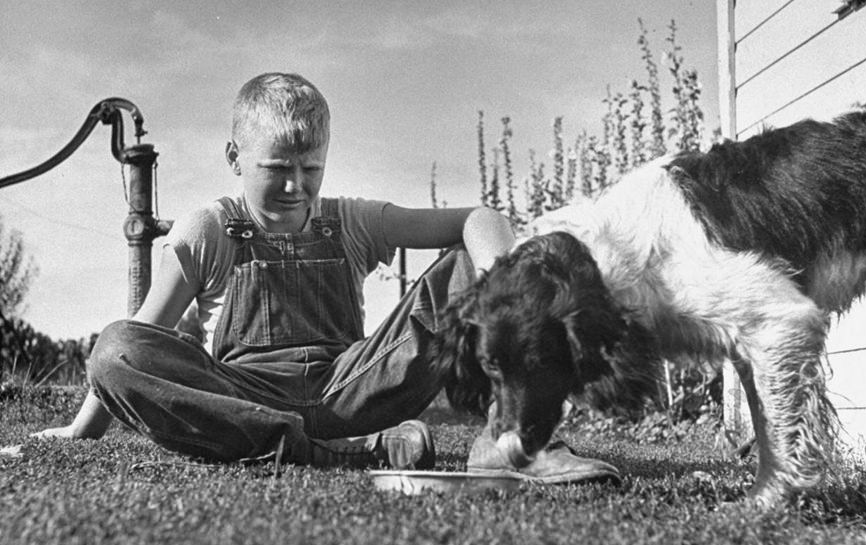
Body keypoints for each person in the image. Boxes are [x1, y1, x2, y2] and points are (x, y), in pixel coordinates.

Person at [33, 72, 617, 481]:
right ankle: (334, 453)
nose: (296, 186)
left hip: (354, 387)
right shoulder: (207, 229)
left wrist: (499, 294)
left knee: (512, 263)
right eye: (276, 169)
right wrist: (82, 431)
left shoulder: (350, 219)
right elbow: (138, 341)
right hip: (244, 400)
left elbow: (481, 218)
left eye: (311, 168)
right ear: (235, 158)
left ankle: (511, 443)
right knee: (115, 347)